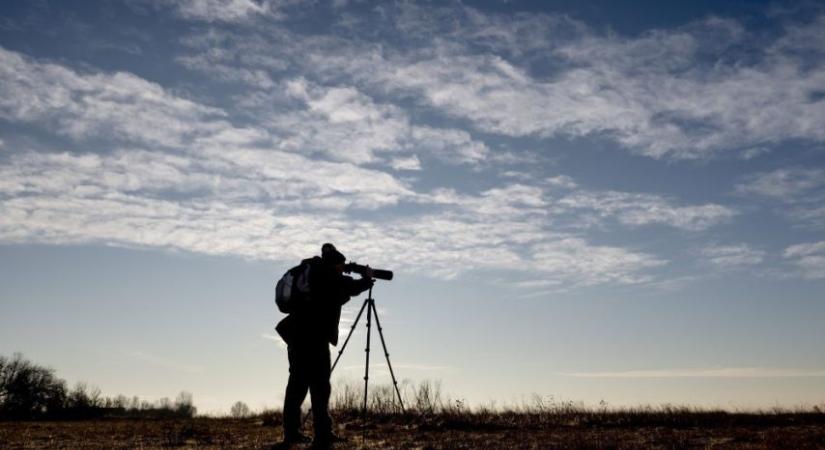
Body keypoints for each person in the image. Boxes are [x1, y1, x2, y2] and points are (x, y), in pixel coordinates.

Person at [276, 243, 373, 447]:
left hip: (296, 336)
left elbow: (341, 290)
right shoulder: (326, 276)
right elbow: (349, 287)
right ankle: (322, 435)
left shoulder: (311, 273)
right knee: (320, 388)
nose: (342, 269)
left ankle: (292, 434)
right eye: (340, 265)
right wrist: (366, 279)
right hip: (314, 339)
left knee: (296, 386)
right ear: (334, 265)